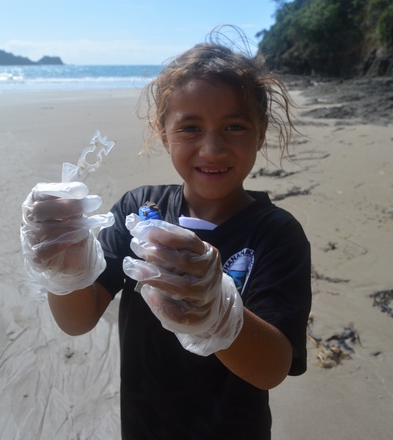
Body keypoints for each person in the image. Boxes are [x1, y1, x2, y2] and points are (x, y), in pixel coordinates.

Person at [21, 29, 311, 440]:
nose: (211, 149)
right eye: (190, 128)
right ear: (163, 131)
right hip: (143, 427)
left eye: (234, 127)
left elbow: (272, 368)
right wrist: (63, 267)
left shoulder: (277, 234)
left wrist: (216, 315)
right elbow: (77, 320)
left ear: (261, 131)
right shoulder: (139, 211)